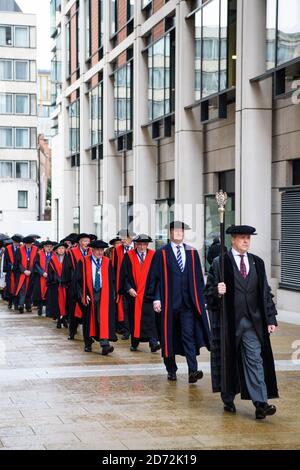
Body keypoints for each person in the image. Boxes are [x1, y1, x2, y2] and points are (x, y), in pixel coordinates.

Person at [205, 225, 279, 420]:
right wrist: (216, 291)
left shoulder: (257, 263)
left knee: (255, 360)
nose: (246, 241)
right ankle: (228, 397)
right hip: (229, 323)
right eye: (242, 238)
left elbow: (265, 294)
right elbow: (208, 294)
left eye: (248, 238)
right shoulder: (220, 263)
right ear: (233, 240)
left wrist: (270, 318)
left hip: (253, 323)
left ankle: (260, 403)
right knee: (228, 361)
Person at [147, 221, 211, 383]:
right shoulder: (161, 253)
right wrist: (156, 298)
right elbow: (154, 278)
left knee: (188, 335)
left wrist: (201, 298)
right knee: (168, 336)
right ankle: (171, 370)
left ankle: (193, 371)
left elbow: (198, 277)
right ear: (170, 233)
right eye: (175, 231)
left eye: (181, 231)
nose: (178, 233)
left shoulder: (191, 252)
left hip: (188, 304)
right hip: (168, 304)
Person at [75, 239, 117, 355]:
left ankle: (105, 345)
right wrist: (83, 295)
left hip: (103, 294)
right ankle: (88, 344)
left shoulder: (107, 262)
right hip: (89, 294)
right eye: (97, 250)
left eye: (102, 250)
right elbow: (77, 281)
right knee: (88, 319)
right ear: (92, 250)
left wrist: (112, 295)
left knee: (101, 318)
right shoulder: (83, 262)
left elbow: (112, 280)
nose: (100, 252)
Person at [120, 234, 160, 353]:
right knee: (134, 319)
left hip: (149, 294)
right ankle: (135, 342)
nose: (142, 247)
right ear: (135, 244)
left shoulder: (154, 256)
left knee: (151, 319)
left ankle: (153, 343)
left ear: (147, 245)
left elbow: (158, 276)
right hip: (134, 295)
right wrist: (129, 288)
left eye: (144, 244)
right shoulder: (128, 256)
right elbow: (124, 276)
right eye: (140, 244)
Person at [67, 233, 92, 341]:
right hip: (75, 285)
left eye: (88, 241)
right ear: (79, 242)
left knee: (87, 311)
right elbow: (68, 269)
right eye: (84, 241)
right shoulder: (72, 252)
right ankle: (72, 332)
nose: (86, 243)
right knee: (73, 310)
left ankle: (89, 334)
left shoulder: (92, 252)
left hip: (89, 285)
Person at [113, 229, 136, 339]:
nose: (122, 240)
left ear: (130, 238)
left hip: (136, 281)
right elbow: (114, 267)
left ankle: (136, 329)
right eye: (121, 238)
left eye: (124, 238)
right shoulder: (117, 250)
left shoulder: (138, 247)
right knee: (125, 307)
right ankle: (127, 330)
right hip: (122, 281)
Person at [46, 242, 70, 328]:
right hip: (56, 285)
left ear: (65, 249)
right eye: (59, 249)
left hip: (66, 285)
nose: (61, 250)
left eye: (63, 248)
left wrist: (65, 280)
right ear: (56, 250)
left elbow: (70, 271)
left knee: (66, 303)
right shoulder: (52, 259)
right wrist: (56, 279)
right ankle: (59, 320)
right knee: (57, 304)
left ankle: (65, 319)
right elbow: (50, 273)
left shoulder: (69, 259)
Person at [14, 236, 38, 313]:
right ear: (24, 243)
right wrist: (24, 271)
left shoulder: (36, 249)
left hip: (32, 274)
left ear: (32, 243)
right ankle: (21, 306)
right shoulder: (19, 250)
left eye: (29, 244)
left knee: (30, 291)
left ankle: (28, 306)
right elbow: (18, 263)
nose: (28, 245)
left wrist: (30, 271)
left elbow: (36, 262)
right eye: (26, 244)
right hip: (22, 274)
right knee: (22, 290)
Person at [33, 240, 54, 316]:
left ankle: (48, 312)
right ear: (44, 247)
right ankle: (40, 309)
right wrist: (42, 273)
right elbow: (36, 265)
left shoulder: (54, 255)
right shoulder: (39, 254)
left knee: (48, 295)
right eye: (47, 247)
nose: (49, 248)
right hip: (40, 277)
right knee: (40, 294)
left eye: (50, 247)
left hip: (50, 277)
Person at [2, 235, 22, 310]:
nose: (17, 244)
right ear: (13, 242)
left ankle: (16, 304)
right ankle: (10, 303)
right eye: (16, 243)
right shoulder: (8, 248)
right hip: (10, 271)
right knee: (10, 287)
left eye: (18, 243)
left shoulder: (21, 248)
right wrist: (8, 267)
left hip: (18, 271)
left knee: (17, 287)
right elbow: (6, 260)